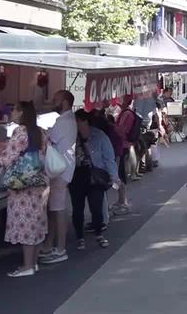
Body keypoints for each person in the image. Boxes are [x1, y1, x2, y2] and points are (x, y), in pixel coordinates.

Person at [1, 101, 49, 277]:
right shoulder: (42, 132)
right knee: (36, 223)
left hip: (22, 186)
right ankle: (33, 263)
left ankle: (27, 266)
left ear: (21, 113)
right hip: (40, 183)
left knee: (25, 225)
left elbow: (7, 158)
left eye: (14, 109)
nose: (12, 112)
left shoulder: (20, 132)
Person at [39, 90, 76, 265]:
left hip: (60, 170)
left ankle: (60, 249)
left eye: (56, 100)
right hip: (63, 169)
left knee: (58, 210)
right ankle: (49, 245)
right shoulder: (67, 119)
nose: (53, 102)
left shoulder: (63, 121)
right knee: (54, 209)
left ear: (65, 102)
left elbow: (47, 140)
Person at [70, 110, 115, 251]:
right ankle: (80, 237)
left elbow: (109, 158)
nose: (78, 126)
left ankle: (99, 233)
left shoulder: (99, 136)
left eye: (80, 122)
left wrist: (114, 177)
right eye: (76, 123)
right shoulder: (70, 136)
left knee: (96, 206)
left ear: (86, 122)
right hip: (76, 174)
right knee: (78, 208)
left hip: (94, 174)